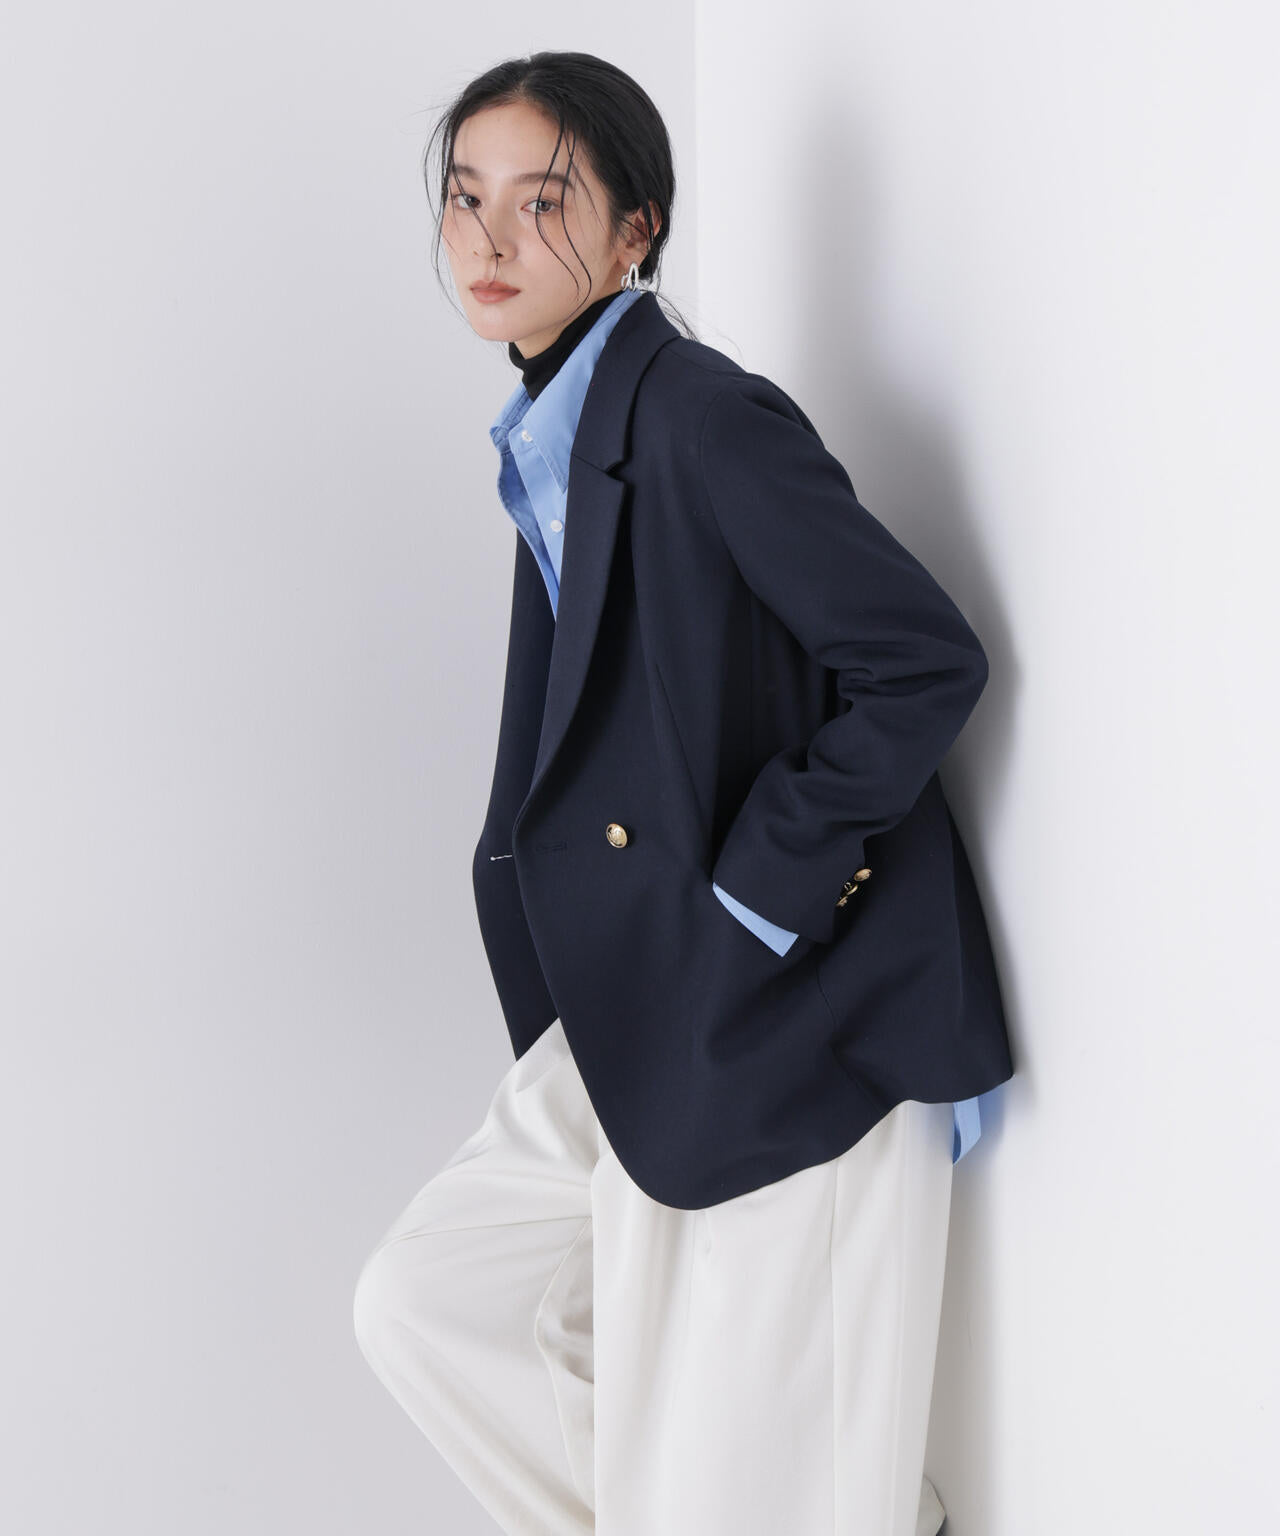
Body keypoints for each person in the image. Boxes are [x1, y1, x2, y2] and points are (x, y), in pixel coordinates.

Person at [353, 49, 1014, 1536]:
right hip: (640, 1007)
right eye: (465, 198)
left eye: (542, 200)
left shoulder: (702, 418)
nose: (489, 239)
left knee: (729, 1488)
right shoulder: (559, 438)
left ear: (635, 230)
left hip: (792, 1011)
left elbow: (923, 661)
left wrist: (754, 898)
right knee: (423, 1304)